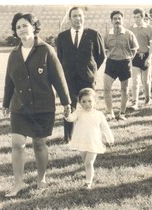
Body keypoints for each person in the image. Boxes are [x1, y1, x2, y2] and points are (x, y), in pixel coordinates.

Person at [2, 13, 71, 197]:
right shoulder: (14, 54)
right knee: (17, 144)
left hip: (42, 106)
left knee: (39, 144)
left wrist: (66, 102)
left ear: (34, 27)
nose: (22, 29)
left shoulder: (46, 50)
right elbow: (9, 81)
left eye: (25, 25)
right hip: (19, 107)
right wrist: (6, 102)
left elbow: (59, 78)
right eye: (18, 27)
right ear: (15, 33)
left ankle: (42, 178)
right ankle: (18, 183)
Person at [56, 6, 106, 143]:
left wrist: (90, 69)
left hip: (87, 78)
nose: (78, 18)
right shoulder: (62, 37)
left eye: (80, 15)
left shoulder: (93, 34)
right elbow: (59, 59)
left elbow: (100, 56)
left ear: (84, 17)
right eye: (75, 16)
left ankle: (91, 135)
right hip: (69, 78)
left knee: (89, 106)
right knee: (69, 106)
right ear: (70, 19)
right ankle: (68, 137)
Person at [65, 88, 114, 189]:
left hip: (93, 142)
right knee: (86, 162)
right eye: (83, 101)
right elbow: (70, 119)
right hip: (81, 141)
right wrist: (67, 114)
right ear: (79, 102)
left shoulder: (99, 115)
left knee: (89, 162)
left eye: (90, 101)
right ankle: (89, 173)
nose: (87, 104)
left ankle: (88, 183)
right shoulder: (79, 112)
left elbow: (105, 128)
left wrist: (110, 139)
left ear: (95, 101)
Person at [103, 10, 139, 121]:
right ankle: (111, 113)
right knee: (106, 89)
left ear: (122, 20)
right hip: (111, 64)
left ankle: (122, 113)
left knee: (125, 90)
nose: (117, 21)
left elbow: (134, 49)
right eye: (115, 19)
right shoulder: (107, 34)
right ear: (111, 21)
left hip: (125, 63)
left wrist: (127, 58)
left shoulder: (129, 34)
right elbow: (105, 49)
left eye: (119, 18)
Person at [129, 8, 152, 110]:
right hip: (135, 56)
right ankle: (134, 102)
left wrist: (149, 58)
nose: (136, 19)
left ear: (143, 17)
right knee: (135, 81)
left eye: (138, 17)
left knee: (146, 80)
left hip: (146, 56)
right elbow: (129, 45)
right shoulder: (131, 29)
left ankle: (147, 98)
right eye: (135, 17)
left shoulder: (149, 28)